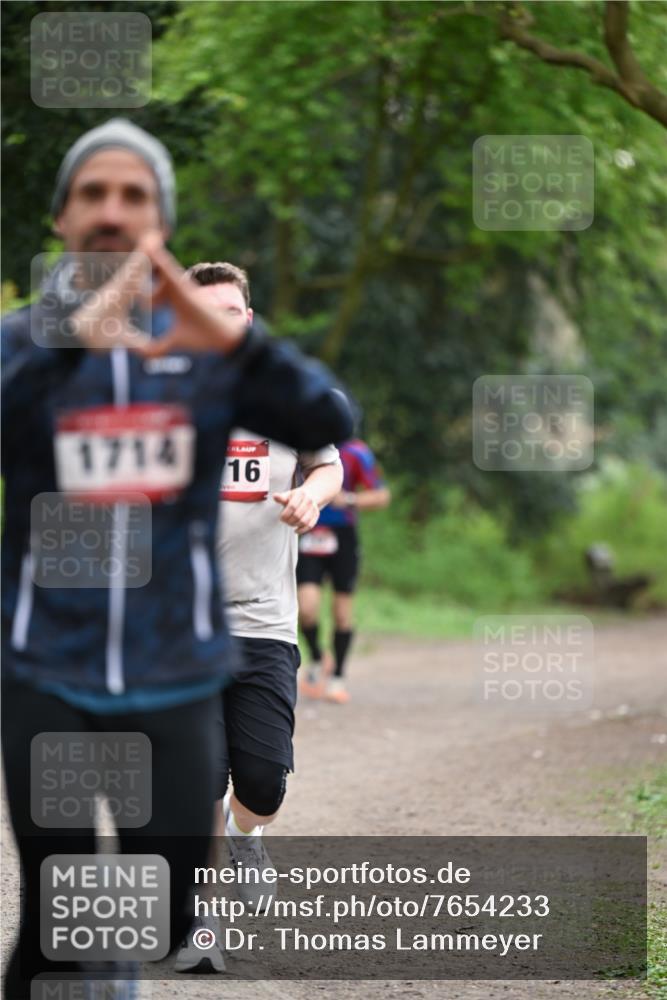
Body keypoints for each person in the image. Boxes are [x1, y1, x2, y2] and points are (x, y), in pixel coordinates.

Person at [1, 119, 352, 999]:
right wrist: (69, 330)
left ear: (160, 219)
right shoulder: (21, 343)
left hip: (178, 668)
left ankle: (125, 952)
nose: (113, 211)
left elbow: (323, 422)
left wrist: (219, 329)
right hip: (46, 665)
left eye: (136, 196)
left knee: (168, 899)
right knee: (56, 916)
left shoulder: (204, 359)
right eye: (94, 193)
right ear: (62, 219)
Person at [174, 261, 343, 973]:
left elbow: (329, 463)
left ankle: (250, 835)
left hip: (266, 624)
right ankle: (198, 931)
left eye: (233, 311)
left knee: (262, 782)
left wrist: (313, 493)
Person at [297, 438, 390, 703]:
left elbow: (381, 495)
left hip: (344, 538)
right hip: (310, 533)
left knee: (341, 612)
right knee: (307, 607)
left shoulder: (357, 453)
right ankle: (317, 657)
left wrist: (348, 499)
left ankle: (337, 677)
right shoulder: (300, 441)